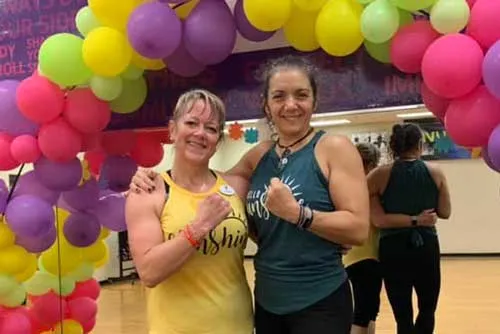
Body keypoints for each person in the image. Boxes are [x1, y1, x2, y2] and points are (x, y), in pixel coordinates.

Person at [130, 55, 370, 334]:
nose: (290, 104)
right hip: (267, 302)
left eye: (301, 95)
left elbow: (358, 229)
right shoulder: (259, 156)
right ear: (266, 105)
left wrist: (300, 215)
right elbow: (211, 183)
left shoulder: (334, 147)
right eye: (279, 96)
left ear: (314, 102)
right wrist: (147, 177)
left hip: (318, 298)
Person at [125, 89, 254, 334]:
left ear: (218, 141)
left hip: (239, 326)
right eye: (191, 122)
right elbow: (149, 272)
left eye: (211, 128)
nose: (200, 133)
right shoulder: (150, 191)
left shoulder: (235, 187)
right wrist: (198, 228)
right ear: (173, 130)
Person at [367, 123, 451, 334]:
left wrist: (411, 219)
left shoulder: (378, 176)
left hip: (393, 249)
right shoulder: (436, 172)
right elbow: (445, 212)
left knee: (402, 315)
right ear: (420, 145)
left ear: (393, 147)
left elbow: (379, 220)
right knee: (427, 309)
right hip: (426, 246)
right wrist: (419, 219)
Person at [343, 143, 383, 334]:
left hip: (352, 256)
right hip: (367, 256)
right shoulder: (369, 187)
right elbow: (379, 219)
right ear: (370, 164)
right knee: (363, 313)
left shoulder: (343, 187)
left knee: (368, 311)